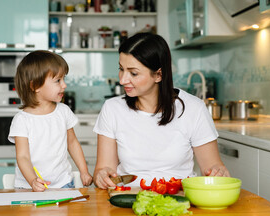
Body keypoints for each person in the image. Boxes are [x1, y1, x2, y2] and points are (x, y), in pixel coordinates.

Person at [93, 33, 230, 189]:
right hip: (126, 197)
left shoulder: (194, 108)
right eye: (121, 69)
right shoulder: (112, 109)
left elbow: (212, 166)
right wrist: (102, 175)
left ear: (158, 75)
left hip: (180, 199)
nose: (123, 80)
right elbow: (103, 168)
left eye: (133, 73)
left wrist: (218, 172)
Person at [8, 50, 93, 191]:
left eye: (64, 79)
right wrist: (32, 180)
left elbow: (72, 143)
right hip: (29, 187)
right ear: (35, 86)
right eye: (58, 80)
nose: (64, 85)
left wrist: (84, 171)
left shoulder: (63, 111)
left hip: (63, 184)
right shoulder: (22, 120)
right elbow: (22, 156)